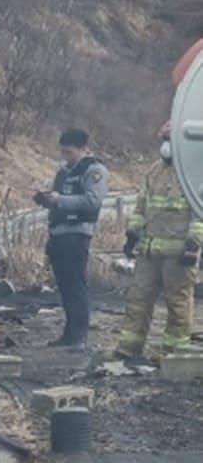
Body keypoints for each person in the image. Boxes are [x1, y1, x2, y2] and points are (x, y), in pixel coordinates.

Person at [116, 122, 203, 360]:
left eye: (169, 140)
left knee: (178, 303)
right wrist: (132, 232)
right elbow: (141, 206)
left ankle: (174, 352)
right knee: (138, 298)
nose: (165, 146)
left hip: (179, 253)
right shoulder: (155, 170)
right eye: (163, 140)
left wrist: (194, 243)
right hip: (149, 250)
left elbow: (200, 212)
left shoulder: (195, 172)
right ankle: (129, 347)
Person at [34, 128, 109, 348]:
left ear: (83, 149)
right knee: (65, 287)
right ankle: (69, 334)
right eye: (63, 152)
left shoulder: (94, 170)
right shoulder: (64, 171)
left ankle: (79, 336)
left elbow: (92, 201)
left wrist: (60, 200)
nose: (65, 157)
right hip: (58, 233)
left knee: (76, 286)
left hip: (77, 234)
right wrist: (45, 199)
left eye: (69, 152)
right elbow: (59, 198)